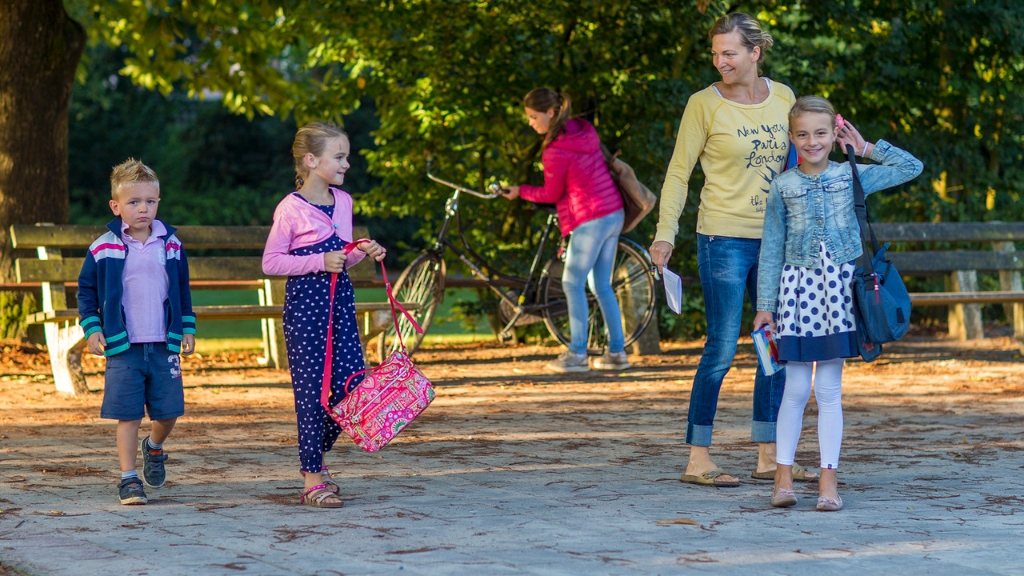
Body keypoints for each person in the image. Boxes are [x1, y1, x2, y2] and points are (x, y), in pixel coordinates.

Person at [649, 12, 813, 487]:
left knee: (771, 348)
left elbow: (797, 163)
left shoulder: (783, 97)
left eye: (730, 52)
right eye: (716, 53)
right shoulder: (704, 104)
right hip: (721, 237)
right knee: (720, 348)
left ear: (755, 53)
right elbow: (679, 172)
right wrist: (666, 233)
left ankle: (768, 455)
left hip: (776, 242)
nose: (720, 61)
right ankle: (698, 458)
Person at [754, 96, 923, 510]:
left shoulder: (852, 176)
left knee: (829, 389)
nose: (812, 141)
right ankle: (783, 476)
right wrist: (764, 305)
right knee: (793, 388)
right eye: (803, 134)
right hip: (796, 295)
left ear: (833, 136)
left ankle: (829, 480)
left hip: (838, 294)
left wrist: (865, 148)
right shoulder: (783, 185)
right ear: (792, 138)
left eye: (821, 133)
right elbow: (772, 248)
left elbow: (911, 167)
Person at [262, 121, 386, 508]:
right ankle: (312, 475)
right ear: (312, 160)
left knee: (352, 386)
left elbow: (342, 258)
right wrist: (318, 260)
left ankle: (316, 457)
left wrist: (361, 249)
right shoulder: (290, 208)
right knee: (312, 392)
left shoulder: (343, 201)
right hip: (306, 308)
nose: (347, 163)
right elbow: (271, 262)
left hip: (340, 303)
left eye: (346, 156)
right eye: (340, 157)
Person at [78, 158, 196, 506]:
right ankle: (129, 479)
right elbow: (86, 292)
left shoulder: (170, 244)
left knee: (169, 411)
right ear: (116, 206)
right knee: (127, 414)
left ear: (158, 201)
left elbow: (183, 290)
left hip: (164, 344)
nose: (143, 209)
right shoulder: (103, 247)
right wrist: (92, 327)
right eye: (134, 202)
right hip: (123, 347)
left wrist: (186, 327)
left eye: (150, 201)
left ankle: (154, 447)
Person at [502, 87, 628, 373]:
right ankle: (617, 353)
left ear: (550, 112)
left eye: (534, 117)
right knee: (601, 285)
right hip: (613, 212)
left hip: (592, 218)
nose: (531, 123)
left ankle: (577, 354)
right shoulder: (581, 129)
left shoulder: (556, 150)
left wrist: (520, 191)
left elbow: (550, 193)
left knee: (572, 283)